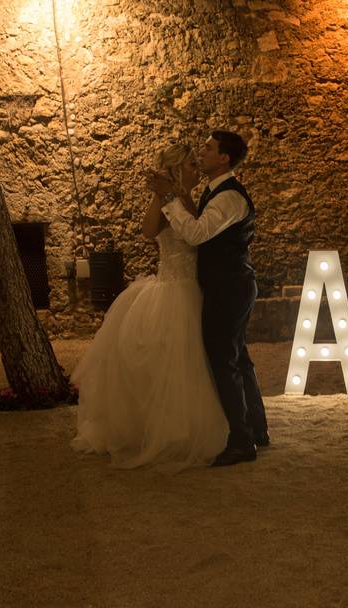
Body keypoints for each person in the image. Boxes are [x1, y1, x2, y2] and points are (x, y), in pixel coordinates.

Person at [70, 144, 228, 470]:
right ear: (175, 169)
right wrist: (162, 196)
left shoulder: (187, 199)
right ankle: (169, 431)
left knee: (189, 362)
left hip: (189, 288)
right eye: (191, 164)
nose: (197, 168)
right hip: (175, 289)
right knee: (175, 362)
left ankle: (179, 426)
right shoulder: (173, 199)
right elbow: (147, 232)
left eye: (198, 162)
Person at [148, 130, 268, 467]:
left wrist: (170, 196)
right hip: (226, 285)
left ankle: (242, 442)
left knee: (223, 361)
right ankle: (257, 430)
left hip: (229, 287)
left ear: (224, 158)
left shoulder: (230, 197)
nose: (202, 151)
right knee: (238, 358)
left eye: (208, 148)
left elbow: (197, 234)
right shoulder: (214, 192)